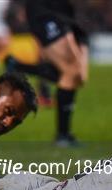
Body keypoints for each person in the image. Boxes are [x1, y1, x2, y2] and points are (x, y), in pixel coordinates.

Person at [5, 0, 89, 147]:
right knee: (70, 70)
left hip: (63, 13)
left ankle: (18, 66)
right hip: (47, 13)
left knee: (75, 75)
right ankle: (63, 135)